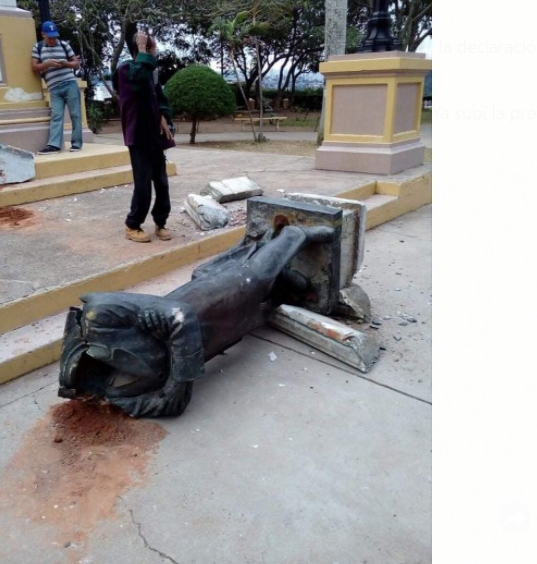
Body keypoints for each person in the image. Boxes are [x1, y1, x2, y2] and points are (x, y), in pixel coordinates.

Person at [58, 222, 335, 417]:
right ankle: (282, 280)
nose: (97, 392)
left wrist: (178, 382)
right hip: (208, 338)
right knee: (250, 316)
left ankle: (293, 235)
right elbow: (168, 405)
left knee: (250, 279)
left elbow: (181, 316)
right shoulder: (113, 391)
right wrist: (173, 389)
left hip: (202, 304)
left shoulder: (99, 315)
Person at [113, 30, 175, 243]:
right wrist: (141, 49)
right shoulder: (126, 70)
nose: (154, 53)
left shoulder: (150, 71)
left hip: (155, 136)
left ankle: (161, 221)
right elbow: (137, 79)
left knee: (162, 182)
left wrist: (164, 115)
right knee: (143, 185)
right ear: (140, 50)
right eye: (151, 49)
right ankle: (132, 225)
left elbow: (160, 97)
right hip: (137, 136)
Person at [30, 20, 83, 154]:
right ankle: (54, 145)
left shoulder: (64, 45)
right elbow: (34, 67)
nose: (53, 40)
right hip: (54, 88)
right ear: (43, 34)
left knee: (75, 115)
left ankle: (76, 143)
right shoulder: (38, 48)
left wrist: (66, 64)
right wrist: (47, 64)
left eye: (55, 37)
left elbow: (76, 64)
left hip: (69, 83)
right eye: (50, 37)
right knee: (56, 116)